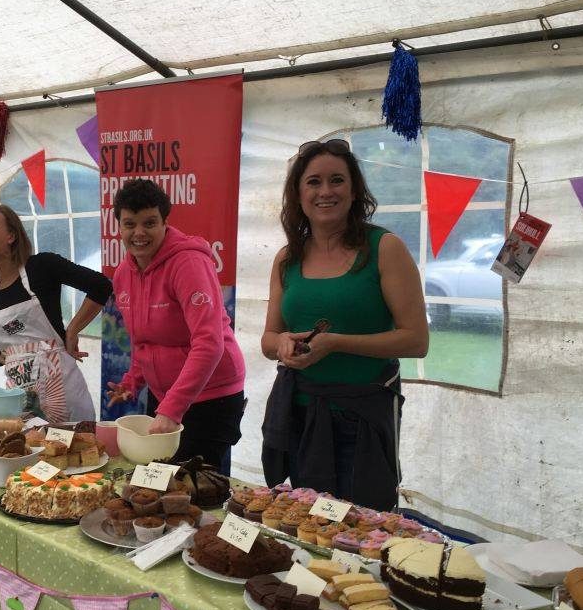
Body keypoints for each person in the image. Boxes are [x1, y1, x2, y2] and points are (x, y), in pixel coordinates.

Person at [259, 139, 429, 510]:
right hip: (300, 417)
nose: (325, 191)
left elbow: (416, 340)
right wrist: (285, 344)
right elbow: (269, 340)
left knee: (360, 526)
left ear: (354, 191)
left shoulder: (384, 248)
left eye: (336, 180)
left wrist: (335, 342)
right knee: (307, 523)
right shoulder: (287, 258)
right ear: (298, 194)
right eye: (313, 182)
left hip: (361, 419)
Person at [105, 179, 245, 475]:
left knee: (197, 488)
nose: (139, 233)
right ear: (118, 226)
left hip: (212, 395)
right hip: (167, 395)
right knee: (160, 482)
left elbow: (209, 343)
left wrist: (171, 409)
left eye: (150, 223)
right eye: (130, 224)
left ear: (165, 222)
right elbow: (143, 341)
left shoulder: (188, 263)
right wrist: (133, 381)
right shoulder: (123, 274)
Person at [0, 203, 112, 423]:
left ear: (11, 236)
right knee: (28, 450)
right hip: (20, 397)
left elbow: (100, 285)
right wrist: (1, 356)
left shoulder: (42, 266)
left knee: (73, 449)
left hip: (62, 389)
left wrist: (71, 331)